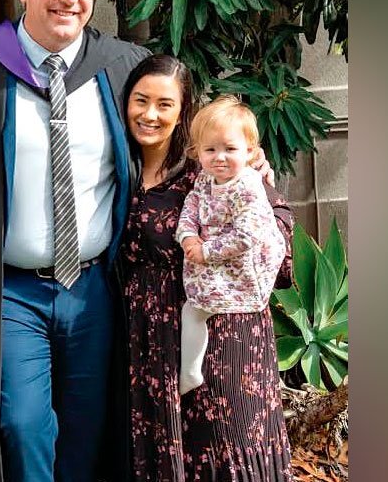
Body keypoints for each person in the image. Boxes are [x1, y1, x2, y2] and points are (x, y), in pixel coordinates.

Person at [0, 0, 151, 482]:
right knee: (21, 425)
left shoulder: (123, 66)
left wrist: (250, 170)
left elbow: (183, 140)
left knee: (90, 427)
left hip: (94, 286)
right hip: (12, 290)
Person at [120, 55, 294, 481]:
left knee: (227, 443)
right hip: (148, 337)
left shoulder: (212, 167)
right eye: (141, 101)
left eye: (165, 104)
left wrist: (222, 252)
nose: (150, 114)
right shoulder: (113, 164)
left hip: (220, 325)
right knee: (172, 449)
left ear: (183, 112)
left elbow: (279, 222)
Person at [175, 95, 287, 395]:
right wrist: (187, 236)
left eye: (230, 149)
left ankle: (189, 372)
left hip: (243, 267)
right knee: (192, 309)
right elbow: (190, 208)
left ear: (250, 151)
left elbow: (247, 235)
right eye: (210, 149)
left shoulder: (248, 185)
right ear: (197, 151)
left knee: (194, 310)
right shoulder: (204, 180)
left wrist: (206, 251)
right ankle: (191, 371)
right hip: (214, 262)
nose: (219, 157)